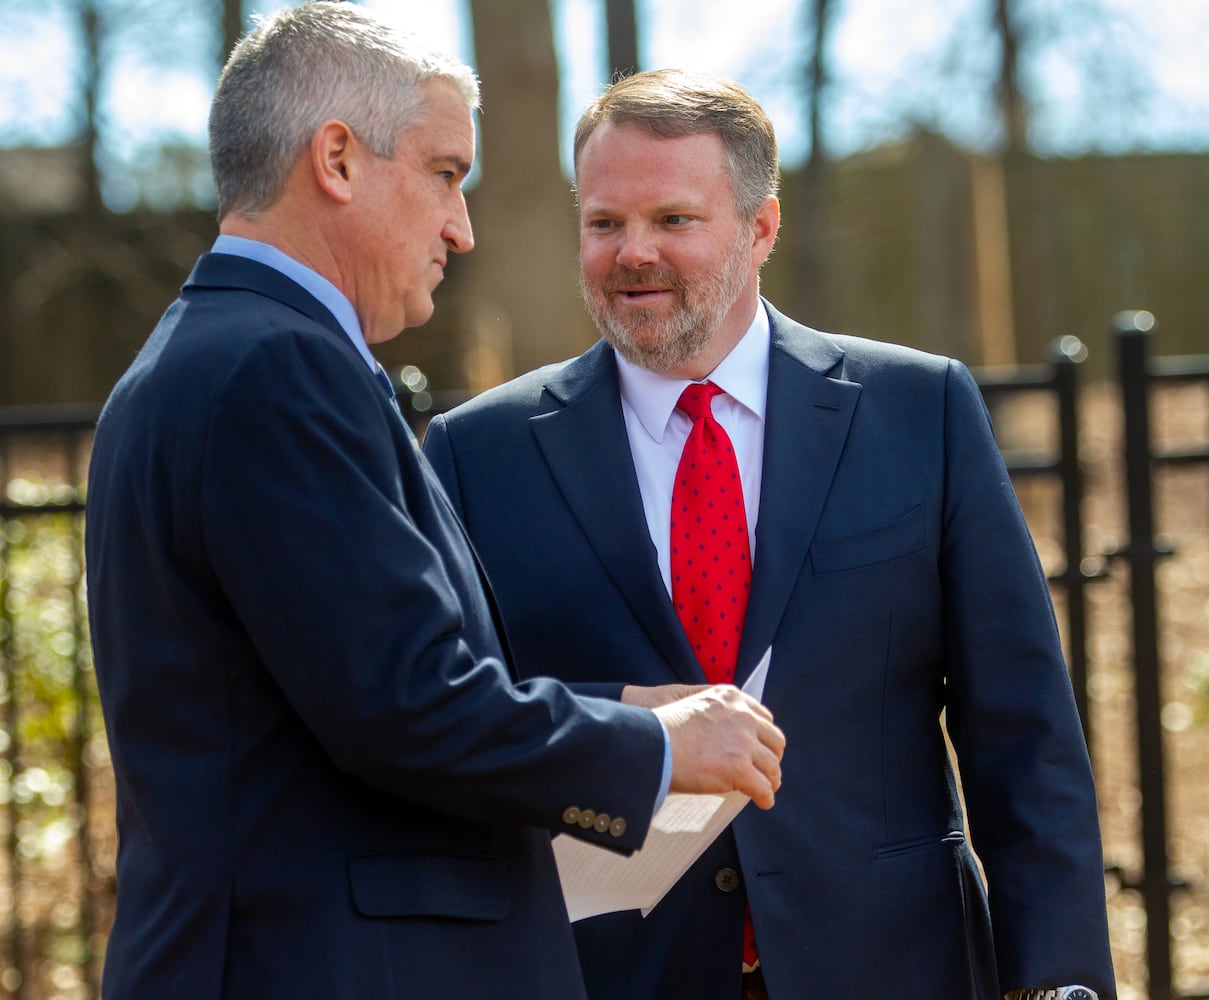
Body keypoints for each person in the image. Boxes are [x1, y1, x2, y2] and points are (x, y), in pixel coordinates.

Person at [84, 12, 787, 998]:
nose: (461, 225)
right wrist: (656, 746)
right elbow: (404, 705)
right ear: (337, 158)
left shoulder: (223, 353)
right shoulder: (272, 368)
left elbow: (347, 678)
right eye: (448, 173)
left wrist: (616, 705)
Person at [422, 69, 1116, 1000]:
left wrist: (1058, 981)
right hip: (607, 973)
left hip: (890, 966)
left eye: (673, 220)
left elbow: (1020, 730)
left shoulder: (918, 412)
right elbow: (449, 716)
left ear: (761, 229)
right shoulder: (479, 451)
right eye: (603, 223)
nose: (632, 253)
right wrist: (635, 722)